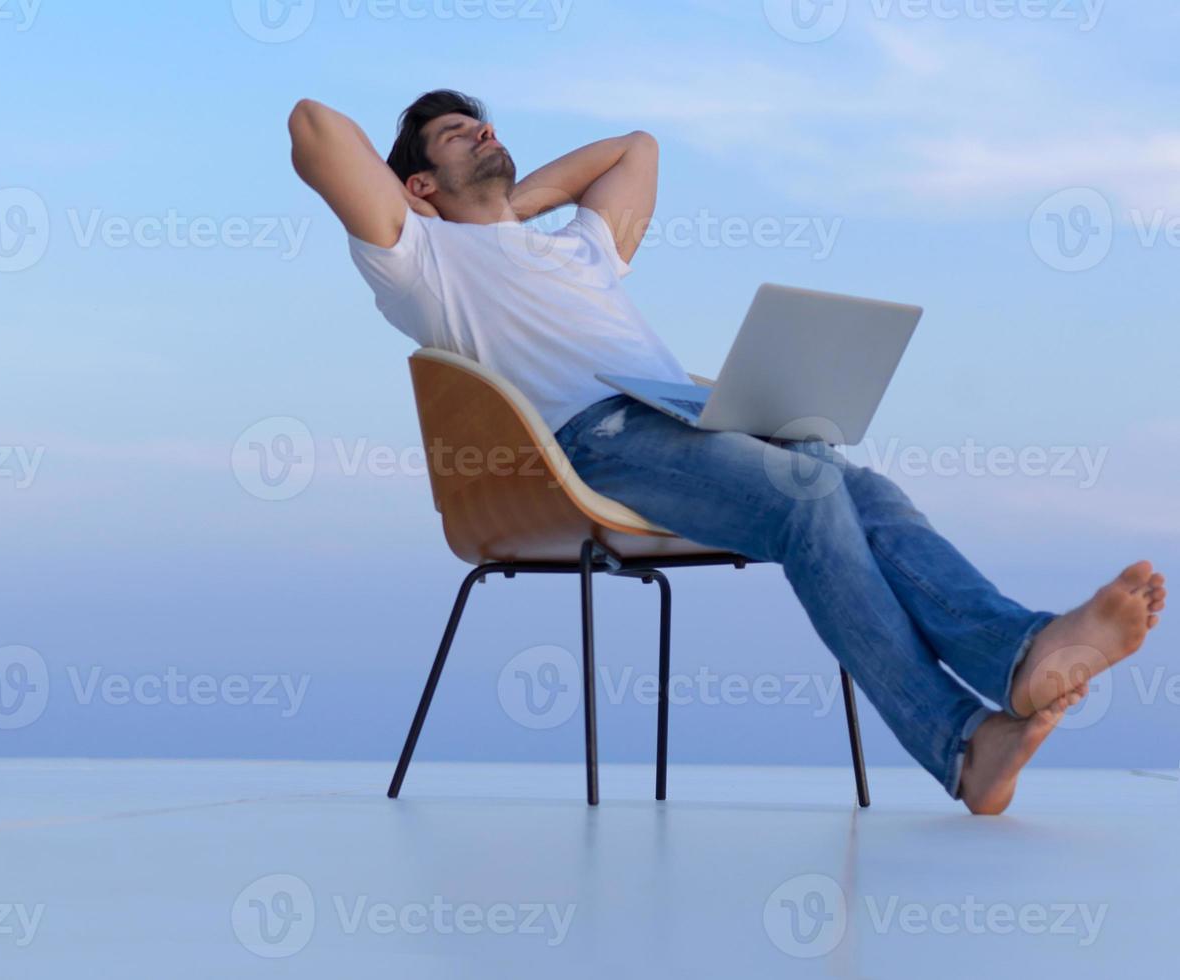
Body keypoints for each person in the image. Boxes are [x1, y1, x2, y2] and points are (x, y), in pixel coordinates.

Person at [287, 89, 1166, 814]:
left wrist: (512, 207)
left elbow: (636, 148)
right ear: (416, 183)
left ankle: (1015, 662)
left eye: (485, 123)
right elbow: (313, 124)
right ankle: (961, 736)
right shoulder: (419, 259)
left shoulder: (576, 250)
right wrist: (434, 216)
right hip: (584, 449)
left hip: (692, 424)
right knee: (806, 492)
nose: (484, 131)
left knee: (856, 485)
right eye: (456, 133)